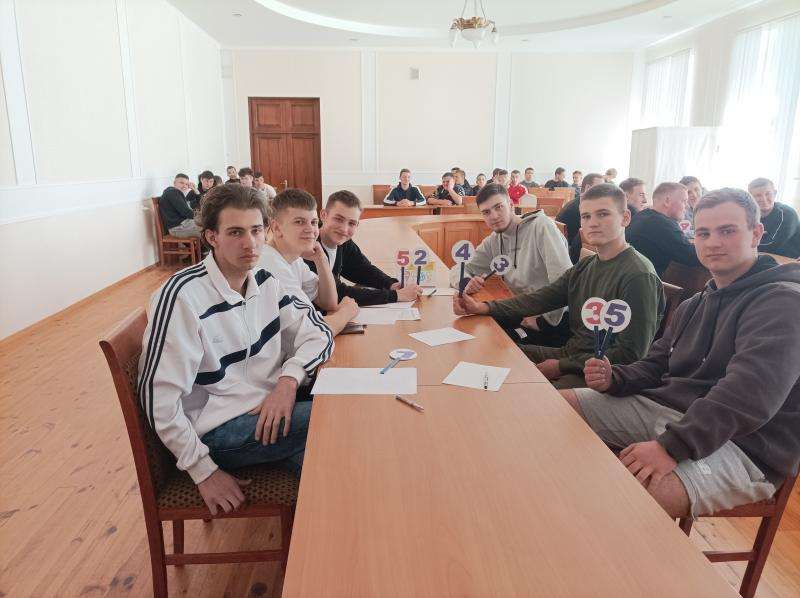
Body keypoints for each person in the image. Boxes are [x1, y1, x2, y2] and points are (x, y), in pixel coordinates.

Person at [565, 188, 800, 519]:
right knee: (560, 408)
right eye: (703, 233)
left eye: (727, 231)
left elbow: (749, 395)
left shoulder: (784, 302)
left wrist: (670, 447)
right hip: (672, 412)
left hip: (746, 445)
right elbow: (657, 362)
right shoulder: (694, 303)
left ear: (756, 233)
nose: (713, 242)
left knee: (630, 499)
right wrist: (615, 378)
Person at [138, 183, 333, 515]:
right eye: (235, 232)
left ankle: (322, 530)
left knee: (329, 464)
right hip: (219, 431)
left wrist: (288, 382)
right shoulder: (183, 296)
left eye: (256, 230)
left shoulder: (265, 280)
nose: (250, 243)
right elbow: (157, 397)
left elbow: (318, 332)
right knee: (340, 417)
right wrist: (203, 471)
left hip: (267, 408)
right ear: (212, 237)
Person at [454, 183, 664, 389]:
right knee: (491, 351)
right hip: (570, 354)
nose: (592, 223)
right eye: (586, 216)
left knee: (522, 391)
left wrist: (562, 366)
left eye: (602, 214)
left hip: (599, 375)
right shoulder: (587, 265)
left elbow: (630, 355)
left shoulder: (639, 275)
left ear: (625, 218)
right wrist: (483, 307)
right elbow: (542, 298)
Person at [450, 183, 572, 348]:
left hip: (553, 320)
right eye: (486, 212)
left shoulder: (541, 226)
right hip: (521, 310)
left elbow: (565, 282)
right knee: (475, 329)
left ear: (511, 205)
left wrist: (544, 320)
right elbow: (459, 268)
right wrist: (465, 283)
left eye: (499, 207)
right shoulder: (494, 240)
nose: (494, 216)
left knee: (494, 344)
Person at [260, 189, 359, 336]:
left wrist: (321, 260)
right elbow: (312, 333)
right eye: (299, 222)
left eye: (313, 222)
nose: (311, 230)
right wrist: (346, 313)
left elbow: (328, 303)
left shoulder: (294, 259)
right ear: (276, 228)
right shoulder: (271, 266)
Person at [306, 190, 422, 306]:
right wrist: (396, 295)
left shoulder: (343, 242)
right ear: (323, 215)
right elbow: (339, 293)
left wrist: (391, 284)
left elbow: (363, 269)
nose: (344, 229)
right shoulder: (310, 250)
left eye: (351, 223)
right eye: (338, 219)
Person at [626, 182, 701, 276]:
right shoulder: (662, 224)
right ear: (667, 201)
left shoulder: (642, 215)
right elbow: (692, 256)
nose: (687, 206)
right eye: (684, 201)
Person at [557, 172, 604, 262]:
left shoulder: (578, 202)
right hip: (573, 255)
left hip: (565, 252)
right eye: (600, 188)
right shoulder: (583, 207)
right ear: (588, 188)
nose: (603, 192)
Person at [749, 177, 800, 258]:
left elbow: (771, 245)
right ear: (750, 197)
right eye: (758, 195)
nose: (763, 199)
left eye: (767, 194)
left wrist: (745, 245)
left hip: (788, 260)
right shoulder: (750, 214)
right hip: (761, 257)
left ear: (775, 193)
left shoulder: (787, 214)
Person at [159, 173, 202, 238]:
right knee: (208, 228)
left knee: (210, 226)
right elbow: (186, 212)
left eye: (186, 184)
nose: (184, 186)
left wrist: (196, 190)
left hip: (185, 225)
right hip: (178, 228)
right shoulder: (172, 192)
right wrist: (203, 218)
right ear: (174, 183)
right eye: (181, 183)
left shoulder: (178, 195)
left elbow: (199, 204)